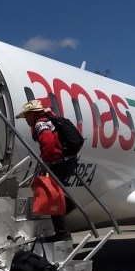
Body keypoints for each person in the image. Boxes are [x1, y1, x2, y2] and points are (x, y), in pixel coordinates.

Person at [15, 99, 78, 241]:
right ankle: (68, 207)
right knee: (54, 194)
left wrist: (46, 163)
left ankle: (62, 232)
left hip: (58, 162)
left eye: (27, 116)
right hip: (67, 161)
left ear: (33, 113)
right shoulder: (49, 120)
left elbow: (48, 142)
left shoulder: (40, 124)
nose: (26, 119)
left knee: (51, 196)